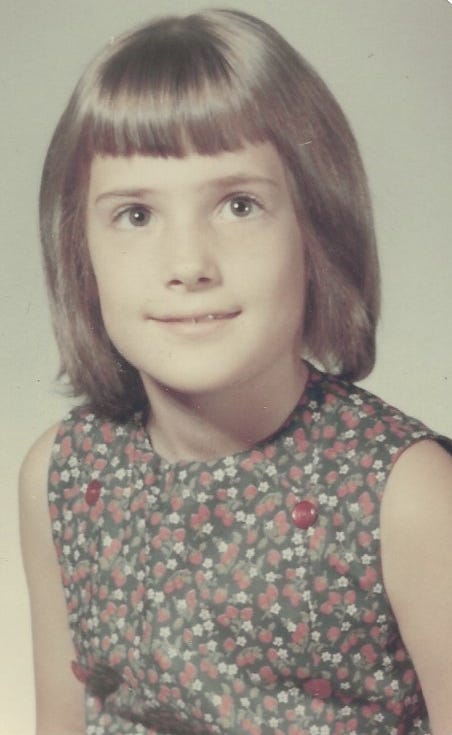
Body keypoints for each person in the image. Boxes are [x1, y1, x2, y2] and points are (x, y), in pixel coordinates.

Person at [19, 8, 452, 735]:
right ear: (79, 253)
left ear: (317, 230)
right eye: (136, 215)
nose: (189, 264)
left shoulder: (407, 496)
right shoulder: (63, 475)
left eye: (239, 205)